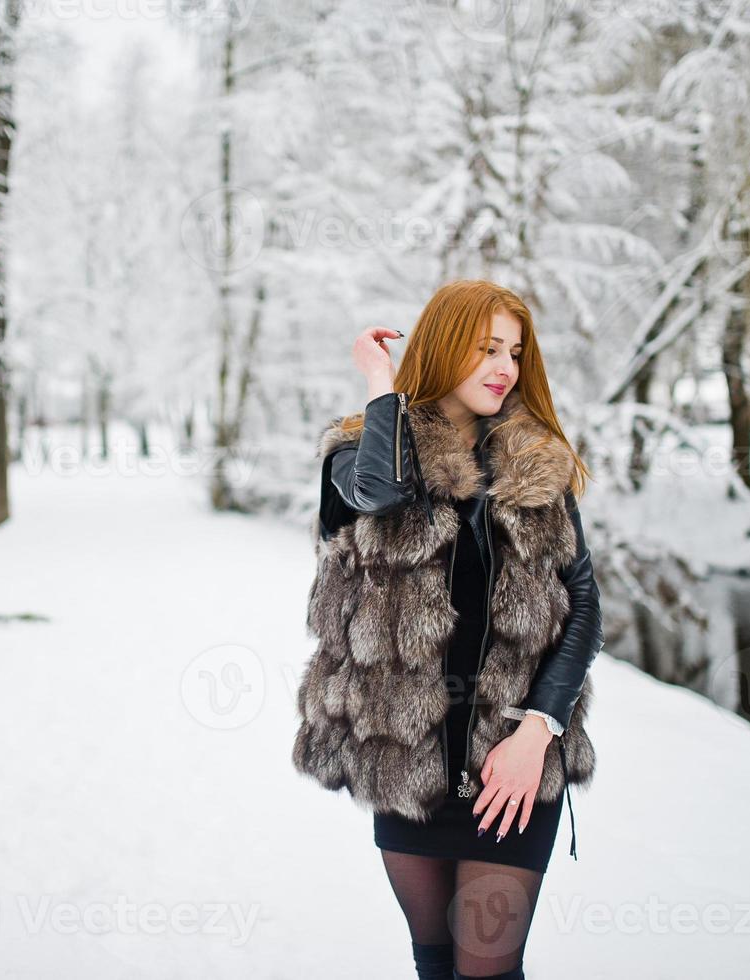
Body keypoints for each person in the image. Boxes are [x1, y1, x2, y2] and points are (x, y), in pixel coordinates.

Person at [291, 279, 604, 980]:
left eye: (515, 353)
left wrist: (538, 729)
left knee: (487, 971)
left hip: (512, 769)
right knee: (435, 966)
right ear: (440, 350)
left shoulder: (534, 467)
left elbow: (582, 606)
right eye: (486, 348)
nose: (504, 367)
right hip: (405, 767)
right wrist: (384, 387)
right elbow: (383, 492)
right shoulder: (355, 454)